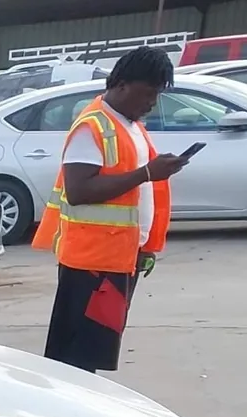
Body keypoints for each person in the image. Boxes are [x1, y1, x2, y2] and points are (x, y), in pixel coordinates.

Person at [33, 47, 192, 372]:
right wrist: (147, 173)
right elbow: (78, 191)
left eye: (157, 94)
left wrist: (143, 247)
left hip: (117, 258)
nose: (152, 103)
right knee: (77, 357)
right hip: (91, 264)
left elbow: (136, 195)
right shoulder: (91, 127)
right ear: (121, 85)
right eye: (147, 93)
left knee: (94, 352)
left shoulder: (130, 126)